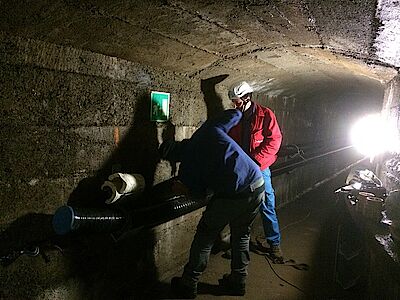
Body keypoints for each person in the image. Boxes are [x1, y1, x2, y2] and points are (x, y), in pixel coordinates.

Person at [159, 109, 265, 298]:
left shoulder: (187, 170)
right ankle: (238, 282)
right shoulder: (207, 130)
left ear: (175, 159)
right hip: (257, 184)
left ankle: (189, 283)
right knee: (241, 235)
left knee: (205, 236)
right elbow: (235, 115)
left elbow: (200, 195)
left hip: (233, 195)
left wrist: (183, 190)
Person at [228, 81, 284, 261]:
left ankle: (274, 244)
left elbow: (274, 142)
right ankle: (239, 245)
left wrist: (254, 161)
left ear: (246, 98)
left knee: (267, 204)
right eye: (233, 102)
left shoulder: (265, 115)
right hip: (240, 169)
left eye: (237, 101)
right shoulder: (234, 117)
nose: (234, 105)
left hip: (260, 169)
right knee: (240, 207)